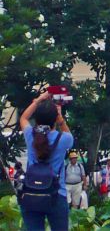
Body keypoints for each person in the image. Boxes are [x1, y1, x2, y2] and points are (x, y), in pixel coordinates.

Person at [20, 91, 74, 230]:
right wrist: (60, 119)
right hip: (56, 195)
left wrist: (38, 100)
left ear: (36, 119)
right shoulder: (64, 139)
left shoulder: (30, 134)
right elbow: (68, 135)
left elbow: (24, 118)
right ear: (55, 118)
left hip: (31, 194)